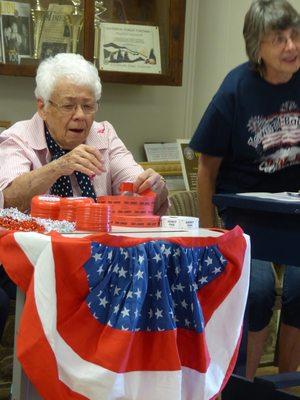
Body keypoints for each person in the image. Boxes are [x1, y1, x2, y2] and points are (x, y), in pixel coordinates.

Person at [0, 52, 169, 336]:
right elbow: (8, 197)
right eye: (69, 105)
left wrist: (151, 186)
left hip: (95, 258)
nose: (80, 116)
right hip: (31, 259)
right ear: (42, 106)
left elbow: (134, 181)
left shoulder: (104, 135)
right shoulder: (18, 138)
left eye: (88, 106)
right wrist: (59, 167)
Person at [189, 0, 300, 380]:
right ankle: (244, 385)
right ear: (258, 48)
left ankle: (286, 383)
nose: (291, 47)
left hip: (294, 211)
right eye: (279, 39)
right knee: (259, 288)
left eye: (296, 36)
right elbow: (206, 169)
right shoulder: (236, 89)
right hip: (246, 211)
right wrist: (209, 234)